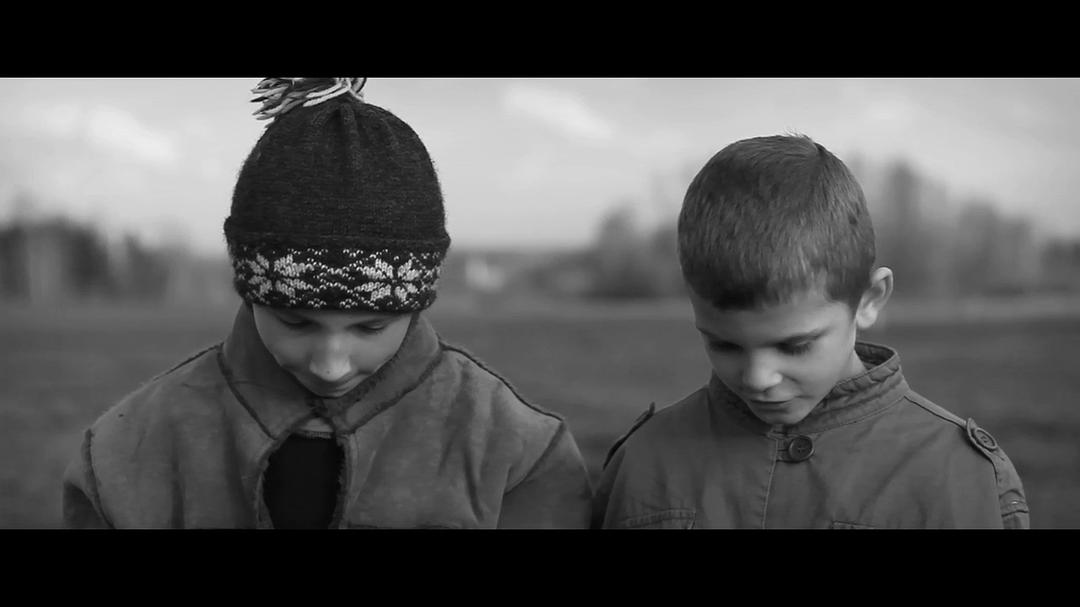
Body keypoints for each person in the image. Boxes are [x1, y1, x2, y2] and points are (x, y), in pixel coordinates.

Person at [62, 77, 593, 529]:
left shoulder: (516, 452)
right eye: (296, 322)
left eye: (370, 327)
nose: (330, 364)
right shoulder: (125, 451)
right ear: (252, 293)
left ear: (415, 304)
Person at [592, 133, 1029, 529]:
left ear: (870, 299)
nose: (757, 378)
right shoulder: (643, 461)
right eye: (723, 344)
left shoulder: (956, 474)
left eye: (794, 346)